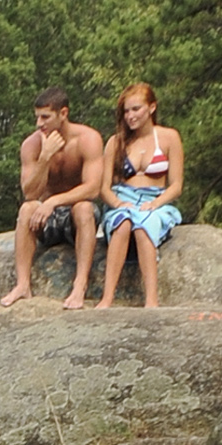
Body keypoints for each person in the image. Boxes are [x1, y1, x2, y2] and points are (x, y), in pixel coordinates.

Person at [0, 89, 105, 309]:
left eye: (45, 117)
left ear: (63, 113)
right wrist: (45, 158)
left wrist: (53, 201)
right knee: (27, 209)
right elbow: (30, 192)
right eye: (37, 117)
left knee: (84, 208)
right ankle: (22, 285)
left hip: (76, 215)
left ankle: (79, 286)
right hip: (46, 218)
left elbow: (93, 188)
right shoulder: (32, 145)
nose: (39, 123)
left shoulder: (88, 139)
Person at [96, 83, 185, 309]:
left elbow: (176, 186)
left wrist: (155, 204)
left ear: (151, 108)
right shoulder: (116, 143)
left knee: (144, 225)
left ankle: (151, 300)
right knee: (123, 222)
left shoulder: (169, 137)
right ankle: (107, 298)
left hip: (155, 199)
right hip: (123, 197)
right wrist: (117, 203)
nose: (130, 116)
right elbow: (103, 188)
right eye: (126, 111)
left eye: (136, 109)